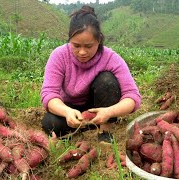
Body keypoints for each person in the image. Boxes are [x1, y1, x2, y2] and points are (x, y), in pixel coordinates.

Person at [40, 5, 141, 143]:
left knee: (107, 80)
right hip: (69, 107)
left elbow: (133, 97)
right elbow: (49, 94)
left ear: (98, 41)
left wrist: (109, 112)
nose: (82, 52)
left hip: (99, 107)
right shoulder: (59, 56)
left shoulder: (111, 58)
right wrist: (67, 112)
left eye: (88, 46)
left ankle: (104, 130)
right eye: (76, 46)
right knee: (49, 124)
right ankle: (86, 125)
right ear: (69, 40)